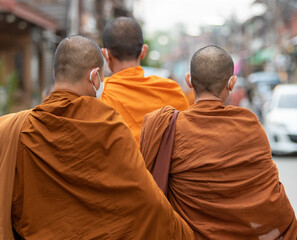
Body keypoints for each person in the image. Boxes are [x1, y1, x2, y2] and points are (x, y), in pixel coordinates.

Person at [0, 35, 194, 240]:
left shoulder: (13, 128)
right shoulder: (107, 123)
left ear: (54, 73)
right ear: (94, 77)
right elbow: (145, 199)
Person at [140, 45, 297, 240]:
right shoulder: (248, 123)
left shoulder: (164, 126)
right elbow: (271, 200)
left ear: (189, 80)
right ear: (231, 83)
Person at [100, 17, 189, 146]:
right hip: (163, 167)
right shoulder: (171, 90)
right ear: (144, 51)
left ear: (106, 54)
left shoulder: (99, 94)